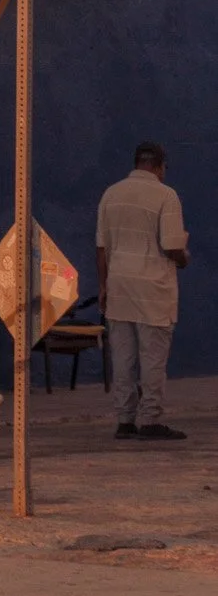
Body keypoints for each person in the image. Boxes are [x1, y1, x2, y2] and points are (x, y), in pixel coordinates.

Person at [97, 141, 190, 441]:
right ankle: (149, 419)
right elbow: (173, 245)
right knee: (152, 358)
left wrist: (103, 285)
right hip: (153, 289)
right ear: (160, 166)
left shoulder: (111, 194)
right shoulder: (166, 195)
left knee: (123, 358)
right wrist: (184, 258)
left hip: (119, 286)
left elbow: (102, 248)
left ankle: (124, 420)